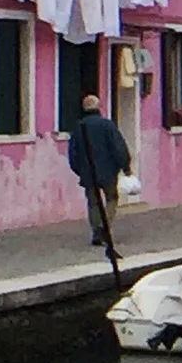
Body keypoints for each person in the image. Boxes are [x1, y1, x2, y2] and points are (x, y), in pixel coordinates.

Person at [65, 93, 130, 248]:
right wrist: (125, 166)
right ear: (98, 107)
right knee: (112, 198)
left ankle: (96, 232)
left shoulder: (79, 127)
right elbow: (118, 147)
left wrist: (79, 170)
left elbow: (73, 153)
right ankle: (104, 226)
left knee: (93, 203)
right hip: (108, 171)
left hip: (88, 172)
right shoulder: (107, 125)